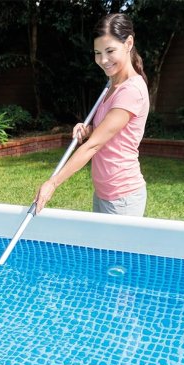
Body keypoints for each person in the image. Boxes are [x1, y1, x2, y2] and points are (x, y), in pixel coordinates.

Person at [34, 13, 150, 216]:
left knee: (113, 250)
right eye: (97, 53)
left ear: (129, 43)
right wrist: (88, 129)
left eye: (110, 50)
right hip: (104, 192)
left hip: (122, 198)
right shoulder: (112, 85)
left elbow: (94, 145)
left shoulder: (131, 90)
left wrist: (53, 183)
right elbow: (110, 133)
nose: (103, 60)